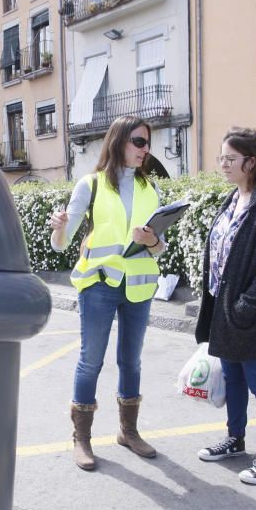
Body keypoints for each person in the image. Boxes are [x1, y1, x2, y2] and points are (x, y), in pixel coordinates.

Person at [49, 115, 166, 471]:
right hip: (100, 284)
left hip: (139, 286)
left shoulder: (151, 189)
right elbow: (61, 245)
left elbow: (160, 248)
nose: (145, 149)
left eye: (147, 143)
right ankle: (81, 439)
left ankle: (128, 431)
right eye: (139, 142)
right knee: (91, 361)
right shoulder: (92, 184)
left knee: (131, 361)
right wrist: (59, 229)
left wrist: (153, 241)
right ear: (119, 142)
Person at [194, 127, 256, 485]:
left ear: (251, 162)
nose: (223, 164)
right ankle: (235, 439)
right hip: (225, 309)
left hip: (253, 314)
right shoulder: (233, 198)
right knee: (233, 378)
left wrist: (246, 304)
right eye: (221, 158)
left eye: (230, 159)